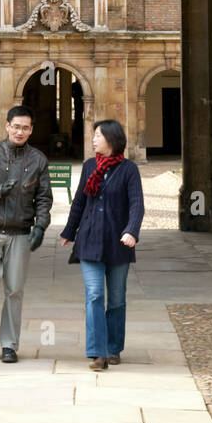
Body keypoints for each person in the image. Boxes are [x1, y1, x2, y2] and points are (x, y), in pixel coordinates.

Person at [0, 105, 52, 363]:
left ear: (31, 130)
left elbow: (44, 198)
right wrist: (0, 189)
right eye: (16, 126)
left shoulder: (38, 160)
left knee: (14, 289)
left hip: (20, 232)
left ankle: (9, 344)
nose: (20, 131)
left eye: (25, 127)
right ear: (7, 126)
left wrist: (41, 226)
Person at [60, 119, 144, 370]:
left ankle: (114, 347)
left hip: (119, 243)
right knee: (95, 295)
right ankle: (98, 353)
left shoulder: (129, 170)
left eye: (98, 135)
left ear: (112, 139)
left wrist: (131, 231)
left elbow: (137, 205)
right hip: (90, 241)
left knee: (116, 299)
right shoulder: (89, 167)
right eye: (93, 135)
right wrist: (69, 231)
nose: (93, 139)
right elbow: (79, 202)